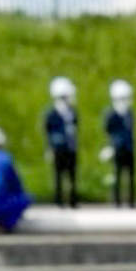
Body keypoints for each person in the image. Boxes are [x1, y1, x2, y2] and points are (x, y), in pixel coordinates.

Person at [44, 75, 82, 209]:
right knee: (58, 175)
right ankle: (58, 200)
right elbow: (48, 131)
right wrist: (50, 148)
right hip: (58, 147)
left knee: (72, 175)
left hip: (70, 147)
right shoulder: (51, 113)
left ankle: (72, 199)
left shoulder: (72, 112)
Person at [103, 77, 136, 207]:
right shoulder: (111, 114)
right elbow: (108, 131)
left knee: (131, 176)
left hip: (129, 147)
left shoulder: (129, 112)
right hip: (118, 148)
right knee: (117, 175)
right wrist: (110, 146)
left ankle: (131, 201)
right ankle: (117, 201)